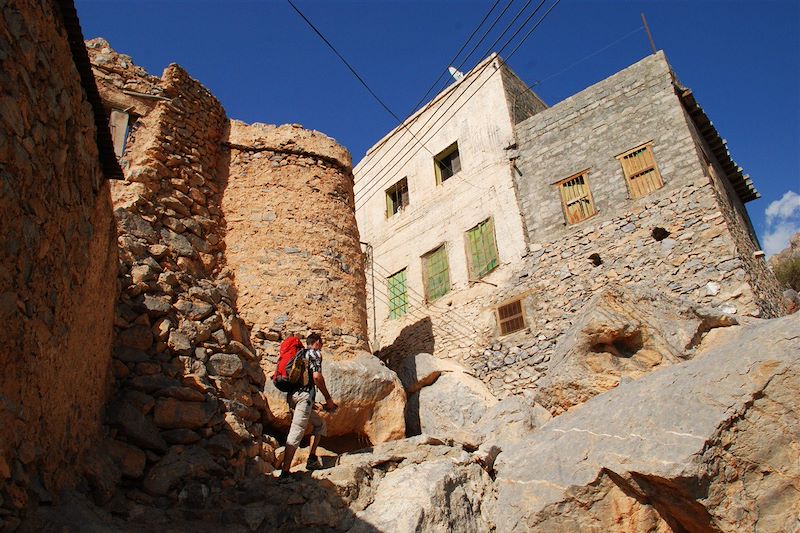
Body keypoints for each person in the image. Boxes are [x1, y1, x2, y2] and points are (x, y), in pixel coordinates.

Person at [280, 332, 337, 476]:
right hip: (304, 398)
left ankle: (311, 458)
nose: (322, 346)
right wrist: (328, 399)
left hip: (294, 397)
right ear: (317, 342)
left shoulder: (300, 354)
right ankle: (285, 474)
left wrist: (313, 403)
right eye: (322, 343)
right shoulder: (315, 353)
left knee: (319, 424)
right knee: (296, 432)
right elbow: (317, 377)